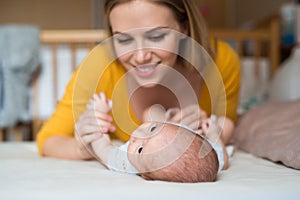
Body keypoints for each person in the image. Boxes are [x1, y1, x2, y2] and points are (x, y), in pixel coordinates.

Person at [36, 0, 240, 160]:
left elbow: (226, 123)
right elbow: (47, 139)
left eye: (157, 37)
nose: (140, 56)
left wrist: (207, 131)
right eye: (123, 40)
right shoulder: (100, 68)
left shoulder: (221, 61)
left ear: (184, 28)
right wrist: (81, 148)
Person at [86, 92, 225, 183]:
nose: (137, 135)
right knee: (153, 112)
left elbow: (102, 148)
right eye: (151, 129)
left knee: (226, 123)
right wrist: (213, 132)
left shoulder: (128, 163)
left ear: (145, 174)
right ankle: (171, 119)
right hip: (176, 128)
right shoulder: (212, 157)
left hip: (171, 129)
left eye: (140, 149)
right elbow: (222, 154)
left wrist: (98, 116)